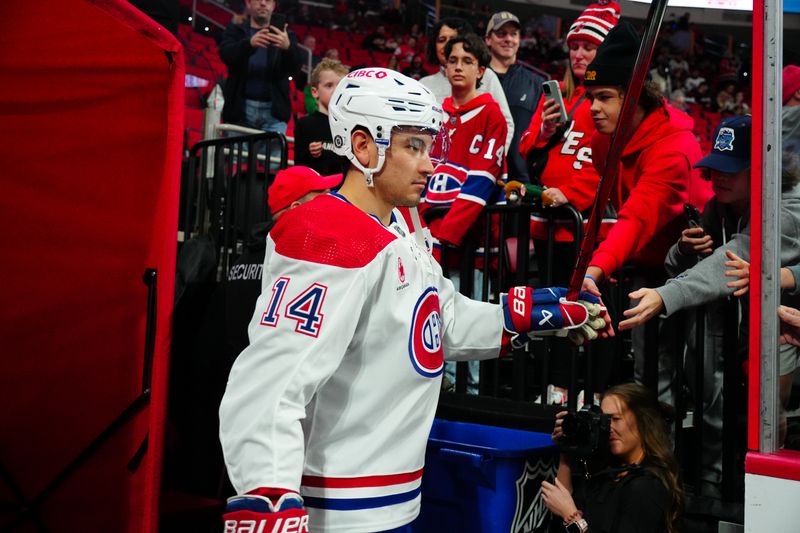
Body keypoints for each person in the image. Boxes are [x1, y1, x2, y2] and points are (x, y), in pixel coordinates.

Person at [219, 67, 609, 533]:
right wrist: (269, 493)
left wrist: (527, 316)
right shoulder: (329, 234)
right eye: (412, 146)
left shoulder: (400, 223)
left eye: (429, 147)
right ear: (362, 147)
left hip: (394, 499)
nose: (430, 164)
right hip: (339, 510)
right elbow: (272, 382)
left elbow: (437, 323)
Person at [620, 118, 800, 487]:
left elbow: (731, 261)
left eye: (731, 169)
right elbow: (688, 264)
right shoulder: (722, 206)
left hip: (786, 327)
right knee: (719, 415)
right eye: (716, 166)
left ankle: (763, 496)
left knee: (773, 420)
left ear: (761, 169)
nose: (719, 177)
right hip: (742, 331)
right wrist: (684, 250)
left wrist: (665, 295)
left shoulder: (783, 209)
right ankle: (711, 490)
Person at [579, 21, 714, 401]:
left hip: (696, 274)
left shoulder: (674, 149)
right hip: (648, 267)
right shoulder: (603, 141)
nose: (593, 108)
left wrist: (594, 269)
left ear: (634, 95)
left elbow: (636, 216)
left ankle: (687, 459)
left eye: (604, 96)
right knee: (649, 373)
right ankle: (651, 455)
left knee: (698, 383)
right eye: (590, 96)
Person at [518, 0, 621, 405]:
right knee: (556, 312)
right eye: (574, 47)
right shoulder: (561, 96)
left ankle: (591, 393)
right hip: (551, 229)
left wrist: (574, 199)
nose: (579, 54)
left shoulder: (606, 101)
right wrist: (543, 131)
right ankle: (559, 389)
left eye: (588, 47)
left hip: (583, 229)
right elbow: (525, 151)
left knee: (591, 314)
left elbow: (604, 168)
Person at [223, 166, 342, 363]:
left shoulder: (242, 260)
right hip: (268, 378)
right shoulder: (294, 261)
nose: (332, 200)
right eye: (322, 196)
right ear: (296, 209)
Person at [542, 382, 682, 533]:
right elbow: (562, 517)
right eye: (605, 421)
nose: (609, 428)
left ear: (642, 421)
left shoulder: (646, 486)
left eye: (615, 419)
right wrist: (566, 449)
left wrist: (571, 516)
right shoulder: (608, 472)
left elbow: (570, 515)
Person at [419, 33, 507, 248]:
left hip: (469, 241)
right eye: (453, 61)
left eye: (467, 61)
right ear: (445, 68)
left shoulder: (492, 115)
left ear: (480, 71)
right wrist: (419, 228)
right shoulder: (435, 114)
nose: (458, 67)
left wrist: (448, 232)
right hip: (428, 236)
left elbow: (483, 179)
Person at [420, 17, 515, 151]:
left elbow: (506, 123)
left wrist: (493, 159)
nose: (447, 45)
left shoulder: (487, 76)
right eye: (441, 40)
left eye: (453, 38)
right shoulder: (423, 84)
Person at [218, 0, 303, 136]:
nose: (263, 3)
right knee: (238, 158)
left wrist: (288, 48)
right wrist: (249, 44)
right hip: (239, 110)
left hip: (274, 113)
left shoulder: (287, 35)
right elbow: (225, 54)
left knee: (271, 158)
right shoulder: (236, 29)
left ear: (274, 5)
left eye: (268, 0)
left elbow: (297, 68)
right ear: (248, 3)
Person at [483, 10, 544, 183]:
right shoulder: (476, 78)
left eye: (513, 34)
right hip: (479, 174)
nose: (508, 39)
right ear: (488, 39)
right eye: (501, 34)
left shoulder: (536, 84)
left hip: (520, 179)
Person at [293, 59, 350, 175]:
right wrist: (310, 152)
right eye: (329, 85)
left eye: (340, 87)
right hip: (315, 189)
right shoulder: (304, 124)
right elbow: (299, 166)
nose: (336, 91)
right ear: (315, 92)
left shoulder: (350, 125)